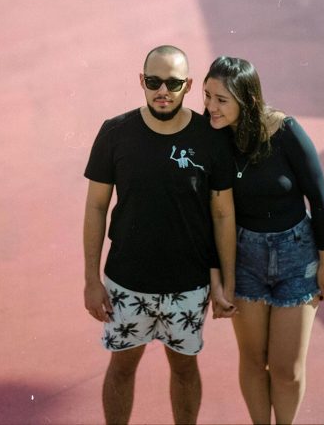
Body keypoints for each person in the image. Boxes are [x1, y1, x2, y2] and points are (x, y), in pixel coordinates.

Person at [83, 45, 236, 425]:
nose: (162, 91)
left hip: (189, 284)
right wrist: (90, 280)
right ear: (142, 82)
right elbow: (96, 208)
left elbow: (222, 213)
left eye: (173, 82)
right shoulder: (115, 132)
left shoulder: (209, 137)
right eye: (154, 82)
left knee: (184, 370)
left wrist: (226, 283)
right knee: (121, 368)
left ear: (188, 85)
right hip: (126, 282)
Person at [203, 56, 324, 425]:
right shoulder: (212, 136)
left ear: (246, 100)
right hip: (244, 258)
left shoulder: (286, 131)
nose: (211, 107)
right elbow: (212, 215)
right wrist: (220, 277)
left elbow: (320, 198)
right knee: (252, 358)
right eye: (207, 96)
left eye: (222, 100)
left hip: (298, 256)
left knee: (286, 368)